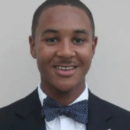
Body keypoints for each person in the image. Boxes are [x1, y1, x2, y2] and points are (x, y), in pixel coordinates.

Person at [0, 0, 130, 130]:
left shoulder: (125, 123)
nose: (66, 52)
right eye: (52, 39)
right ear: (33, 46)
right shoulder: (4, 121)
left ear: (93, 47)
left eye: (78, 40)